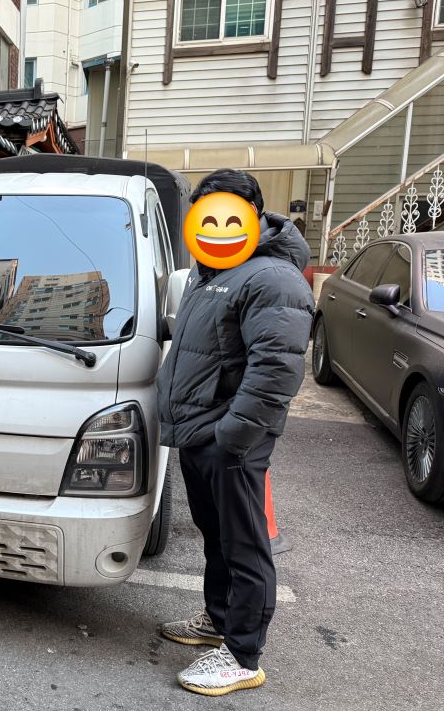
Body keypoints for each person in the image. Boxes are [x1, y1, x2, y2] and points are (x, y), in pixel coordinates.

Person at [156, 169, 314, 696]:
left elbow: (276, 370)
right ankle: (218, 619)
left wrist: (232, 438)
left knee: (245, 544)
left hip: (231, 439)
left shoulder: (272, 278)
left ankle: (243, 655)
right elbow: (206, 343)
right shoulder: (213, 269)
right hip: (201, 431)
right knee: (217, 535)